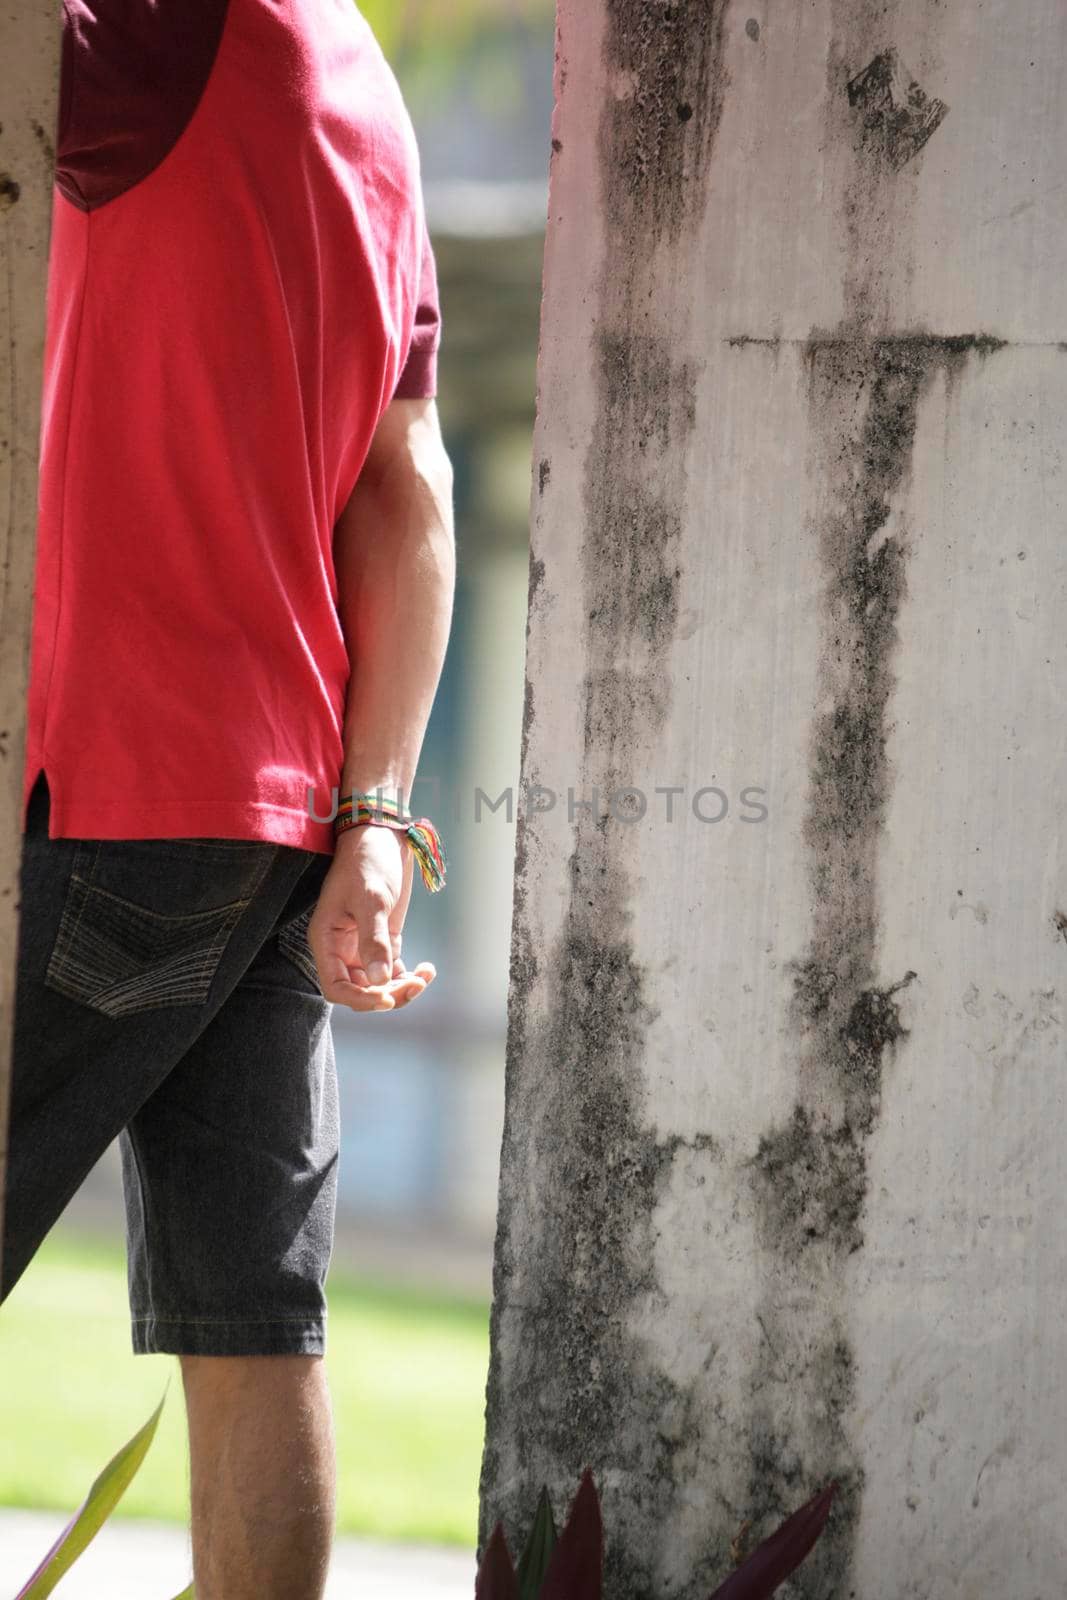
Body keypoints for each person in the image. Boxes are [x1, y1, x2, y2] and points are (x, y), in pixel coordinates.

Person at [1, 3, 456, 1597]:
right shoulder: (366, 94)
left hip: (110, 789)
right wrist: (375, 826)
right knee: (258, 1334)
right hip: (271, 831)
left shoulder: (166, 30)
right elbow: (412, 495)